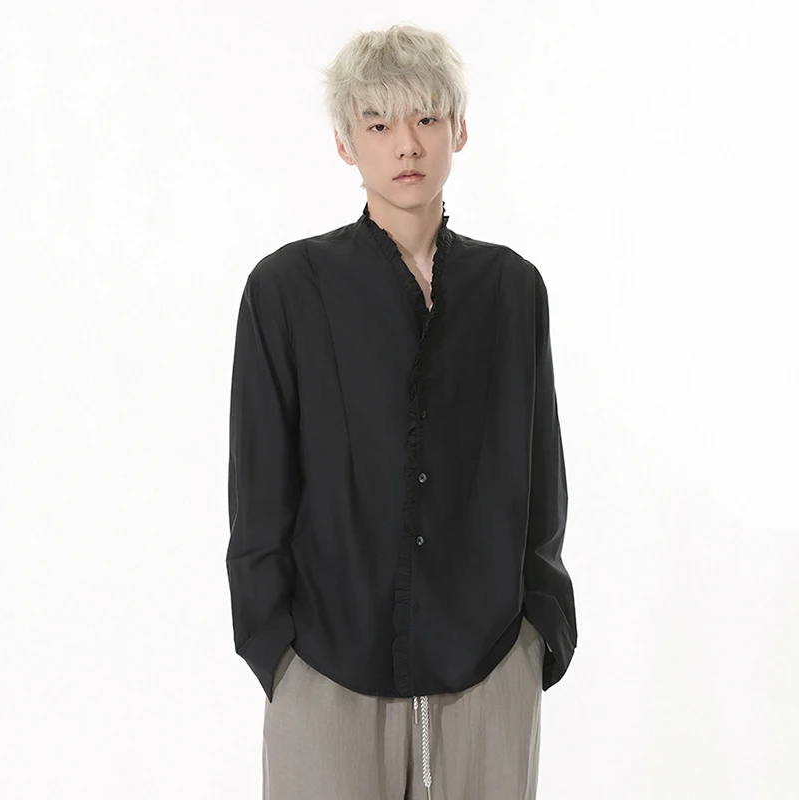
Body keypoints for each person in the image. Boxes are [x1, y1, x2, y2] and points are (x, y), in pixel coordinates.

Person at [226, 22, 577, 800]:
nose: (406, 145)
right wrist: (275, 651)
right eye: (378, 124)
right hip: (325, 667)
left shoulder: (512, 289)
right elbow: (258, 492)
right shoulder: (287, 289)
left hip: (489, 664)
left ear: (459, 129)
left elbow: (540, 477)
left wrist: (539, 635)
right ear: (345, 144)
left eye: (425, 117)